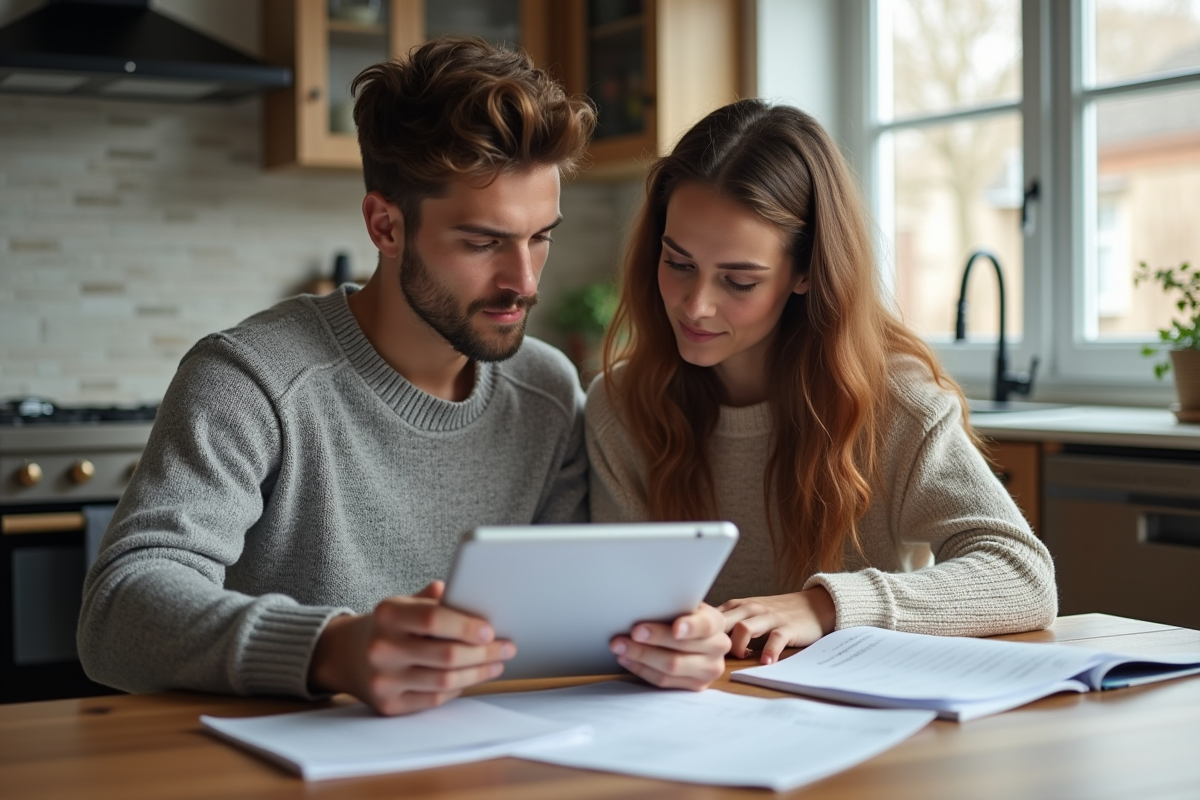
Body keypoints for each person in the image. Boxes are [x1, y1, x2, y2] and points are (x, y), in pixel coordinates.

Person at [79, 37, 632, 717]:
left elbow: (568, 613)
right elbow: (117, 610)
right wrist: (331, 649)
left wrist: (658, 640)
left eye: (540, 236)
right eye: (483, 242)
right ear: (385, 225)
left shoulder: (545, 391)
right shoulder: (253, 379)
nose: (523, 282)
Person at [587, 99, 1058, 684]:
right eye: (678, 263)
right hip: (690, 721)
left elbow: (1022, 575)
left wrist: (826, 605)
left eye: (739, 280)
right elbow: (615, 610)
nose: (696, 305)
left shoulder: (896, 403)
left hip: (865, 732)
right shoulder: (621, 406)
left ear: (806, 272)